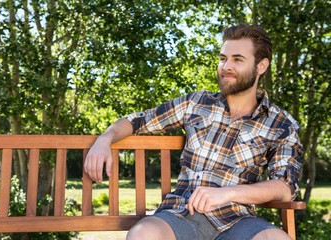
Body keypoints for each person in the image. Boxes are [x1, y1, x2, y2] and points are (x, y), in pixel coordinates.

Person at [84, 24, 304, 240]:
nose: (226, 66)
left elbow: (285, 186)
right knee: (143, 234)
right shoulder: (197, 104)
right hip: (182, 213)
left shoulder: (281, 124)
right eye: (223, 58)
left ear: (261, 66)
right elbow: (139, 120)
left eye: (238, 59)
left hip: (238, 220)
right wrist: (105, 138)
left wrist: (228, 193)